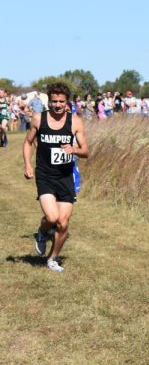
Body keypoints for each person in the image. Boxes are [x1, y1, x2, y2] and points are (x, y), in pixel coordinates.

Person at [22, 82, 90, 273]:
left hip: (65, 177)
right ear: (49, 101)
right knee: (52, 217)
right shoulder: (38, 119)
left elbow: (86, 151)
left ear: (66, 102)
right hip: (45, 175)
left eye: (61, 101)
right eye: (54, 101)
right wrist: (28, 164)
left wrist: (74, 149)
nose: (57, 105)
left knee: (63, 223)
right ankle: (42, 233)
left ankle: (52, 259)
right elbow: (28, 143)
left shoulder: (75, 121)